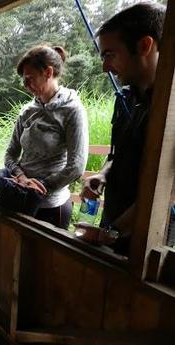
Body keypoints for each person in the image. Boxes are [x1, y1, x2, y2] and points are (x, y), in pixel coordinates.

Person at [80, 2, 166, 253]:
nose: (105, 67)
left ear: (144, 46)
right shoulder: (125, 98)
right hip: (113, 227)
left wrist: (111, 234)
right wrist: (103, 174)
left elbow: (165, 191)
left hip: (146, 244)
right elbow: (116, 155)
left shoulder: (169, 109)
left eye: (109, 55)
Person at [0, 45, 88, 229]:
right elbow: (10, 154)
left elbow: (76, 166)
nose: (25, 85)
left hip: (52, 206)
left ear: (48, 72)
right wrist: (21, 177)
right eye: (23, 80)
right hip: (20, 200)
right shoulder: (27, 111)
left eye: (29, 79)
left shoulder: (72, 110)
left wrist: (41, 187)